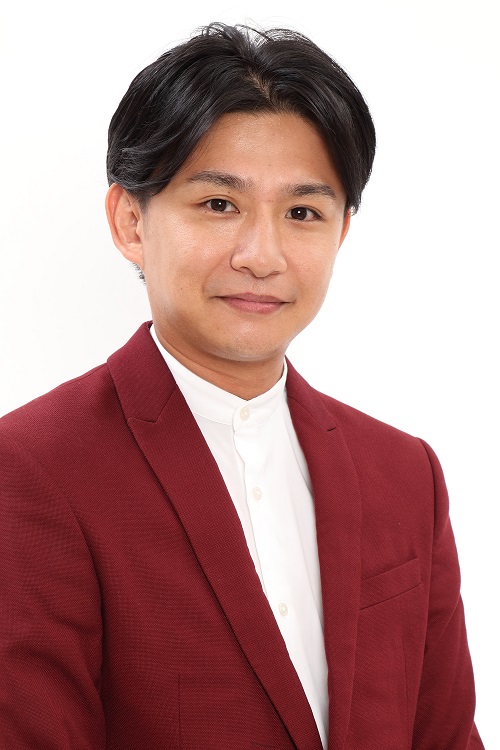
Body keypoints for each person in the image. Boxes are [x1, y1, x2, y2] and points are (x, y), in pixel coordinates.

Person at [0, 22, 484, 750]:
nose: (263, 256)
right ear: (131, 221)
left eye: (302, 213)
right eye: (219, 204)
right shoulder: (31, 469)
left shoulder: (404, 473)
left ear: (341, 232)